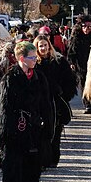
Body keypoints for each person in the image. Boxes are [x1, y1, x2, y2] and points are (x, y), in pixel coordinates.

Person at [0, 41, 53, 182]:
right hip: (15, 125)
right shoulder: (10, 78)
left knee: (33, 159)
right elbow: (4, 108)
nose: (35, 59)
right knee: (13, 161)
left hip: (34, 124)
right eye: (32, 57)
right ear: (21, 58)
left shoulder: (39, 77)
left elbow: (45, 103)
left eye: (35, 57)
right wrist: (5, 131)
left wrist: (47, 124)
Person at [34, 35, 77, 167]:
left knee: (56, 131)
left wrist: (63, 95)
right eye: (40, 46)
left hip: (56, 103)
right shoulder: (34, 63)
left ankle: (53, 158)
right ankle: (42, 159)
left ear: (49, 46)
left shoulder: (59, 61)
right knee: (41, 132)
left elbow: (70, 82)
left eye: (45, 45)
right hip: (39, 104)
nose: (43, 48)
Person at [67, 17, 91, 114]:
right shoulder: (76, 38)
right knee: (83, 84)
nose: (86, 29)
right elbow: (71, 52)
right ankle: (88, 105)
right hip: (81, 65)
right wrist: (71, 63)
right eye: (84, 26)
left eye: (89, 27)